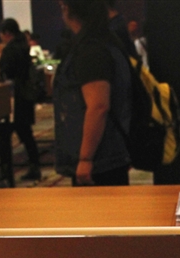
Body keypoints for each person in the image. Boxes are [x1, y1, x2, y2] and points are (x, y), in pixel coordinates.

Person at [54, 0, 131, 186]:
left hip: (100, 157)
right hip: (108, 151)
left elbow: (98, 106)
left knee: (100, 203)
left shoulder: (91, 50)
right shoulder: (105, 41)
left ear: (69, 9)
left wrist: (85, 158)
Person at [0, 17, 41, 186]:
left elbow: (6, 73)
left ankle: (5, 171)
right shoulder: (23, 45)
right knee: (25, 132)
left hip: (14, 98)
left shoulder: (11, 49)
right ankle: (35, 166)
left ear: (6, 33)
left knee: (1, 133)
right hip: (25, 96)